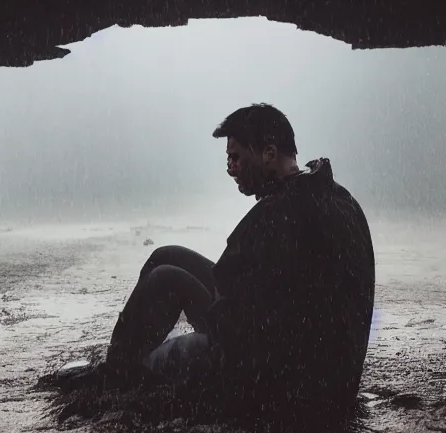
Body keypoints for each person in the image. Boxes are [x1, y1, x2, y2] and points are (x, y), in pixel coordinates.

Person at [61, 103, 375, 413]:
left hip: (284, 382)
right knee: (165, 256)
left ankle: (115, 378)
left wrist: (203, 329)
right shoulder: (333, 194)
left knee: (165, 278)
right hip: (321, 365)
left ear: (268, 153)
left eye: (236, 157)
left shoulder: (278, 215)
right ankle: (123, 363)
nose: (230, 168)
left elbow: (239, 321)